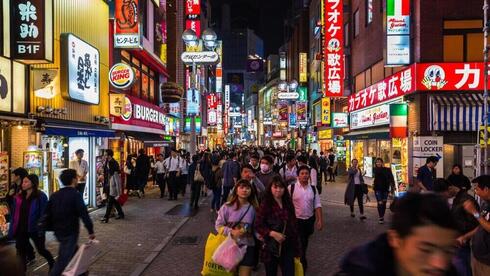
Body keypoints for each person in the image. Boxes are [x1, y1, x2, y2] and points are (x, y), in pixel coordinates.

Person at [336, 193, 459, 275]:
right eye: (425, 250)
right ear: (395, 239)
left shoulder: (450, 271)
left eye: (448, 251)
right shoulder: (360, 269)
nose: (440, 264)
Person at [46, 169, 95, 276]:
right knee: (62, 261)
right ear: (73, 180)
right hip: (70, 231)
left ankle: (81, 273)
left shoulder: (55, 195)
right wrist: (90, 230)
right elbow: (84, 214)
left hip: (58, 231)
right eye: (76, 178)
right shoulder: (75, 195)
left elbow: (47, 213)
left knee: (74, 252)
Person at [432, 178, 478, 276]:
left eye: (443, 195)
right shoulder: (456, 199)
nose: (443, 198)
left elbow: (476, 224)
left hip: (460, 242)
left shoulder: (466, 200)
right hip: (455, 241)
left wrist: (457, 231)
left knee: (462, 270)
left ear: (450, 189)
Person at [255, 176, 301, 276]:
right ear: (270, 188)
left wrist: (297, 250)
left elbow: (294, 227)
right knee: (271, 273)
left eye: (281, 187)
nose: (278, 190)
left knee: (289, 272)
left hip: (287, 245)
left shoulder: (288, 203)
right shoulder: (266, 204)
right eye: (275, 187)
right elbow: (258, 224)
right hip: (271, 247)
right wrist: (272, 233)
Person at [8, 174, 55, 271]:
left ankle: (52, 263)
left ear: (33, 183)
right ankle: (21, 271)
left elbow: (44, 213)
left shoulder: (41, 196)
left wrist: (41, 225)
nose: (23, 184)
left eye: (26, 182)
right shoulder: (19, 197)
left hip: (35, 228)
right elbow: (14, 213)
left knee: (41, 250)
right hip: (21, 228)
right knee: (20, 251)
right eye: (23, 182)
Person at [215, 179, 259, 276]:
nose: (244, 190)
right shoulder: (227, 207)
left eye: (247, 188)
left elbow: (255, 228)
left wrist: (261, 236)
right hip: (230, 247)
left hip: (248, 247)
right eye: (241, 187)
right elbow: (218, 226)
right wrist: (231, 231)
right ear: (236, 190)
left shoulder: (253, 208)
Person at [288, 165, 323, 271]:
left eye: (306, 173)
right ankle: (301, 263)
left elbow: (317, 204)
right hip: (296, 221)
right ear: (298, 176)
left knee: (304, 241)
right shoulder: (291, 188)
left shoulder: (313, 188)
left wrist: (319, 220)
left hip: (309, 221)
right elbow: (286, 205)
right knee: (300, 243)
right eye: (302, 173)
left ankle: (300, 260)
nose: (304, 176)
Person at [462, 175, 490, 275]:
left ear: (486, 189)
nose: (475, 192)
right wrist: (466, 236)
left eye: (477, 189)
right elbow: (483, 224)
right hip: (479, 257)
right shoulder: (485, 204)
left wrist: (474, 212)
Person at [101, 149, 124, 223]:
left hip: (113, 184)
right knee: (114, 200)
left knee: (110, 201)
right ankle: (121, 214)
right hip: (107, 184)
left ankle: (106, 217)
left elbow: (116, 175)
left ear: (109, 155)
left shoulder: (114, 163)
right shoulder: (106, 162)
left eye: (105, 155)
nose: (104, 156)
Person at [373, 158, 394, 224]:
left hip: (385, 189)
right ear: (375, 163)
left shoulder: (387, 169)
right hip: (377, 189)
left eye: (379, 162)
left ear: (382, 163)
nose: (378, 163)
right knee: (380, 203)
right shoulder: (375, 170)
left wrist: (392, 188)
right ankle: (380, 217)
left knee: (384, 203)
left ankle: (382, 216)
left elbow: (391, 179)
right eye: (377, 162)